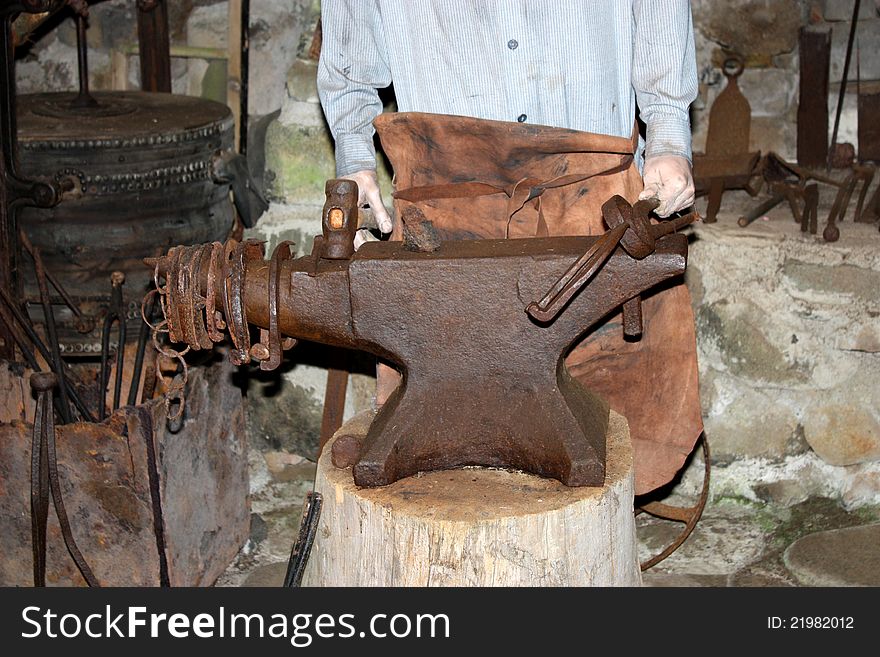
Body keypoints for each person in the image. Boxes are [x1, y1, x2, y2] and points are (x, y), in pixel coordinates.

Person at [317, 0, 703, 496]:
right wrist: (354, 157)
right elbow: (350, 29)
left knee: (614, 421)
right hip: (446, 198)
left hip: (590, 189)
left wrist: (669, 137)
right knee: (445, 447)